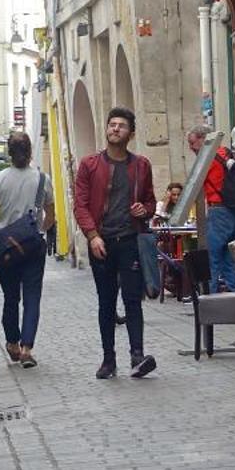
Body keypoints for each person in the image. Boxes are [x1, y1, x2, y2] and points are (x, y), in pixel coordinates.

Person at [71, 107, 159, 380]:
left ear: (130, 133)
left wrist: (145, 210)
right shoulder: (89, 165)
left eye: (121, 125)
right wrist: (92, 235)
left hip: (129, 240)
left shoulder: (141, 165)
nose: (115, 129)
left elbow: (151, 201)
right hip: (102, 243)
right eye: (112, 125)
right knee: (106, 302)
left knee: (133, 300)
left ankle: (137, 355)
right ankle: (108, 360)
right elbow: (80, 205)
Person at [0, 131, 54, 367]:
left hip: (7, 248)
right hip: (33, 247)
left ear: (9, 154)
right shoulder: (43, 178)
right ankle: (27, 347)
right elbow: (51, 214)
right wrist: (39, 230)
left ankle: (12, 342)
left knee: (11, 298)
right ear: (31, 151)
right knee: (32, 297)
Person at [193, 126, 235, 294]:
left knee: (212, 257)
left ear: (202, 139)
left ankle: (211, 295)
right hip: (234, 211)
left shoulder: (207, 158)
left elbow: (195, 183)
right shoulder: (225, 153)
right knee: (230, 255)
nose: (191, 147)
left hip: (218, 211)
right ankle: (234, 291)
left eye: (192, 142)